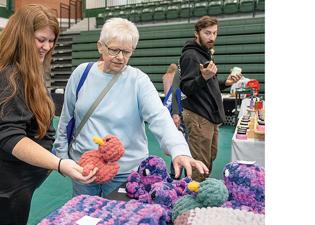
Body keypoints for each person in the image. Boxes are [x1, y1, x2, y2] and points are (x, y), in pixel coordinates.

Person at [53, 17, 209, 197]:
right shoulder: (81, 73)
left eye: (126, 52)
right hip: (84, 170)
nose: (120, 58)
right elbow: (67, 118)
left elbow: (159, 118)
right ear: (100, 46)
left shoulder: (139, 81)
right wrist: (63, 157)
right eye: (114, 50)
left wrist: (179, 151)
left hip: (125, 175)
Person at [0, 5, 97, 225]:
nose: (47, 47)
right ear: (21, 36)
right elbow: (10, 137)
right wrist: (59, 163)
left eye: (51, 41)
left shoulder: (8, 67)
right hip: (6, 180)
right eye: (41, 40)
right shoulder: (10, 76)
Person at [178, 16, 242, 181]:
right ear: (197, 34)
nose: (212, 37)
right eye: (207, 33)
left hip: (209, 116)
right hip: (199, 115)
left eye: (214, 33)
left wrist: (226, 82)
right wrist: (204, 78)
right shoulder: (191, 56)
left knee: (209, 157)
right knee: (200, 163)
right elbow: (186, 88)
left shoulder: (205, 54)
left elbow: (208, 86)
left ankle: (202, 191)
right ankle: (193, 199)